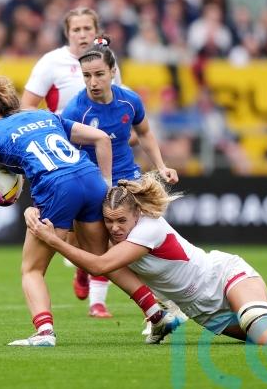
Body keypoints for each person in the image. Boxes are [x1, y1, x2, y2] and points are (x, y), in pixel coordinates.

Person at [25, 172, 267, 345]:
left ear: (137, 214)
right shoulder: (118, 235)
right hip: (205, 312)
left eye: (121, 221)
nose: (114, 228)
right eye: (108, 221)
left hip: (224, 277)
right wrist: (41, 215)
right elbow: (83, 239)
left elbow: (99, 265)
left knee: (266, 335)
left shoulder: (148, 229)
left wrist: (49, 239)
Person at [0, 74, 179, 346]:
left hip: (58, 189)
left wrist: (3, 196)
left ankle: (44, 333)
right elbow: (101, 137)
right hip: (90, 178)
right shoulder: (45, 116)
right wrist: (106, 186)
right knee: (101, 259)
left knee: (32, 270)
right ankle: (156, 314)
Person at [63, 35, 182, 328]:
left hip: (129, 181)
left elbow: (144, 133)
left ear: (113, 72)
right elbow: (66, 151)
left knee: (146, 242)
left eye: (99, 74)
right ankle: (109, 298)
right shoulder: (76, 110)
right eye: (87, 76)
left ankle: (160, 305)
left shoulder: (130, 100)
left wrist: (161, 166)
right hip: (95, 186)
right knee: (104, 251)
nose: (92, 82)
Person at [20, 7, 123, 317]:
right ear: (67, 33)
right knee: (75, 230)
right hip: (65, 155)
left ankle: (98, 300)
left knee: (106, 223)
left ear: (96, 30)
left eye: (87, 28)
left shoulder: (108, 61)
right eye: (76, 29)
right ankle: (84, 266)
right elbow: (26, 107)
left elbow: (119, 100)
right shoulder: (51, 62)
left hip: (103, 149)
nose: (82, 34)